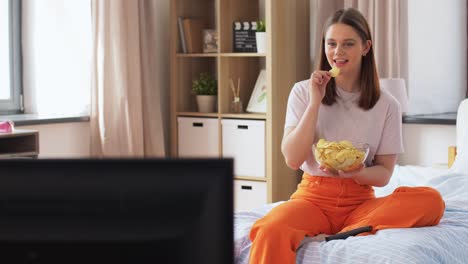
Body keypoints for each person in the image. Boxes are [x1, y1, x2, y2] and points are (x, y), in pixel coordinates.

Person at [248, 8, 445, 264]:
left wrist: (357, 173)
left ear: (366, 47)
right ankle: (343, 230)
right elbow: (293, 160)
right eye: (332, 44)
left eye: (348, 44)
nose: (337, 52)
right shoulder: (302, 92)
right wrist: (315, 103)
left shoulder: (387, 104)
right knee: (270, 228)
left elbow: (384, 174)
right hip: (313, 199)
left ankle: (342, 231)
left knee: (431, 201)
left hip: (360, 203)